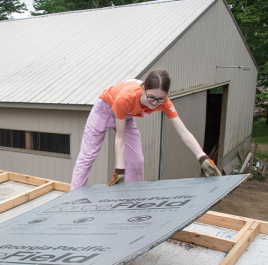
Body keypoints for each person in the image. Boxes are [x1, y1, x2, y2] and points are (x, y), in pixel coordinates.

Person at [71, 70, 221, 189]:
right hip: (104, 109)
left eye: (160, 98)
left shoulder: (164, 102)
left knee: (137, 161)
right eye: (151, 98)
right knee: (87, 156)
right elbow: (120, 136)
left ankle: (134, 197)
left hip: (128, 115)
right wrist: (120, 169)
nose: (155, 103)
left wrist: (202, 157)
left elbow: (183, 131)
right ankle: (74, 198)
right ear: (143, 88)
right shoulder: (126, 97)